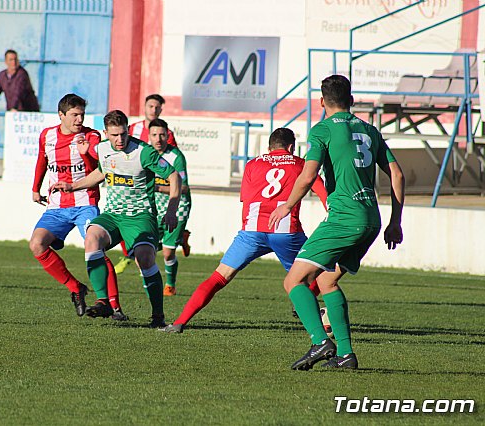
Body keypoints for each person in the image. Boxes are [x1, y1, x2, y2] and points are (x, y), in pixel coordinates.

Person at [268, 75, 405, 371]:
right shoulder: (370, 131)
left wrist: (287, 205)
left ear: (321, 102)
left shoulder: (323, 130)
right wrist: (396, 222)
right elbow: (397, 174)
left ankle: (320, 341)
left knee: (293, 280)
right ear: (351, 101)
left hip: (344, 217)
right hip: (371, 219)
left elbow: (307, 175)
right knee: (326, 280)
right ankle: (345, 354)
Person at [160, 128, 328, 333]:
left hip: (251, 232)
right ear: (291, 147)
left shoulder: (252, 164)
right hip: (287, 232)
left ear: (269, 147)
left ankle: (179, 322)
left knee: (218, 278)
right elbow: (323, 194)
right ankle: (304, 303)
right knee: (323, 271)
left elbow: (246, 200)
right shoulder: (302, 165)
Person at [54, 110, 181, 327]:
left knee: (144, 258)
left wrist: (171, 210)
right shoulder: (102, 149)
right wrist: (72, 186)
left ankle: (158, 316)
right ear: (106, 133)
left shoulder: (144, 152)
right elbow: (101, 173)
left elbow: (173, 175)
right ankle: (103, 301)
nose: (119, 140)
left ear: (128, 130)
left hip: (140, 216)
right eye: (114, 135)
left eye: (123, 134)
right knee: (91, 238)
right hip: (113, 215)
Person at [30, 94, 126, 320]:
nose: (79, 119)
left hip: (85, 203)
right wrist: (36, 189)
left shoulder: (91, 136)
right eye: (74, 115)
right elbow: (42, 160)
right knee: (37, 244)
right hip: (56, 207)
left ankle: (115, 306)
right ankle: (76, 288)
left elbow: (99, 171)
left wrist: (86, 155)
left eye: (82, 114)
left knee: (96, 248)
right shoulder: (47, 135)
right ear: (61, 115)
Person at [116, 93, 190, 274]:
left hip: (170, 199)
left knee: (164, 252)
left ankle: (165, 279)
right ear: (144, 106)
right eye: (151, 106)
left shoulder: (171, 147)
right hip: (149, 197)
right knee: (126, 225)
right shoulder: (132, 129)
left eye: (157, 107)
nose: (158, 139)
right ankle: (131, 256)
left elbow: (175, 173)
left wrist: (159, 184)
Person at [148, 119, 192, 296]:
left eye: (162, 135)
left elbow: (183, 187)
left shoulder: (176, 157)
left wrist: (156, 187)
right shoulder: (146, 153)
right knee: (145, 250)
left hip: (178, 205)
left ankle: (170, 285)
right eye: (154, 135)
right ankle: (181, 237)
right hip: (154, 206)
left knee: (167, 253)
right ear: (149, 136)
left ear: (168, 135)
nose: (158, 139)